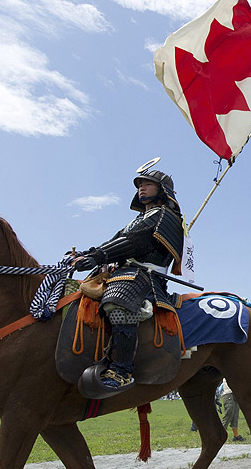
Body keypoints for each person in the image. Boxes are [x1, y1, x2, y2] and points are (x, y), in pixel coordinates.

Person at [74, 166, 185, 398]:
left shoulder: (164, 215)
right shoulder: (140, 218)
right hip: (123, 272)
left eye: (147, 184)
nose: (141, 188)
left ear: (162, 190)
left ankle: (121, 370)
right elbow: (117, 240)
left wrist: (98, 256)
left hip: (145, 277)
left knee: (119, 302)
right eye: (139, 185)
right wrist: (88, 253)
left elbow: (134, 243)